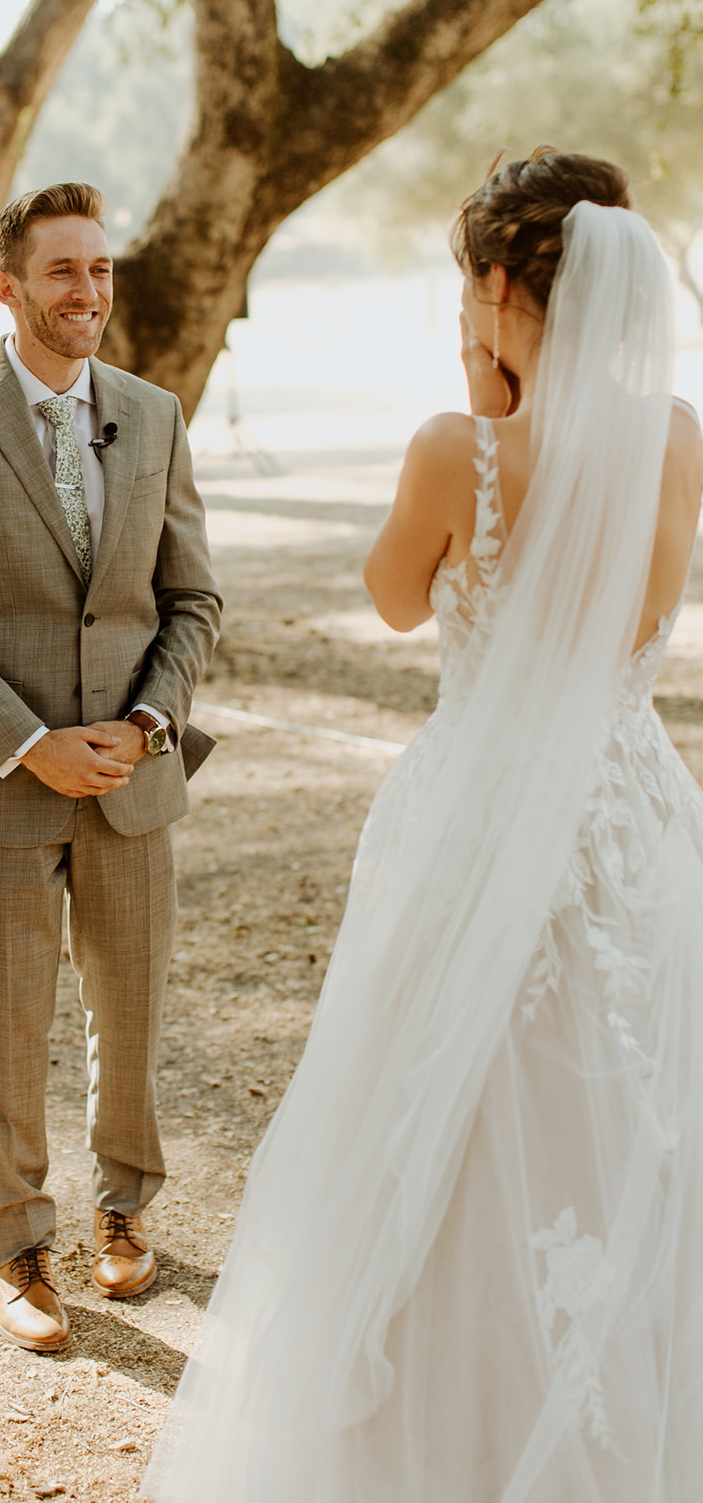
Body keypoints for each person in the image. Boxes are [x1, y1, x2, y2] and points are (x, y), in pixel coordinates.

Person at [143, 150, 703, 1501]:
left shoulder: (459, 448)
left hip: (482, 804)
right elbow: (630, 611)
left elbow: (396, 597)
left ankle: (431, 1432)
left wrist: (474, 408)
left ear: (499, 284)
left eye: (468, 283)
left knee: (433, 1106)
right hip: (627, 807)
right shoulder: (675, 433)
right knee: (620, 1105)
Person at [0, 182, 221, 1353]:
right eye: (63, 272)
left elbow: (191, 599)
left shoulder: (155, 414)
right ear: (9, 286)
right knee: (6, 1024)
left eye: (103, 269)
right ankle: (18, 1244)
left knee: (130, 1019)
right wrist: (31, 743)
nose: (89, 293)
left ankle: (125, 1215)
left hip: (133, 782)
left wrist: (147, 725)